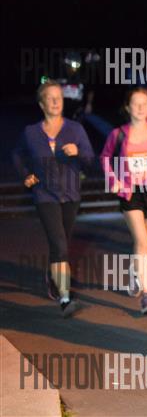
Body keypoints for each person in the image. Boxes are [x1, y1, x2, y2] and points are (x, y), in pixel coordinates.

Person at [12, 79, 95, 317]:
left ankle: (52, 277)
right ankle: (65, 298)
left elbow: (91, 160)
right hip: (45, 194)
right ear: (42, 104)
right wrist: (25, 174)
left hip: (70, 194)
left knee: (61, 243)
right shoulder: (31, 132)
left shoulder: (75, 129)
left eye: (59, 97)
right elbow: (17, 154)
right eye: (50, 98)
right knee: (59, 244)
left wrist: (78, 152)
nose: (56, 101)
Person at [100, 87, 147, 314]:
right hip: (130, 192)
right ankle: (146, 295)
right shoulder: (119, 134)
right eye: (136, 103)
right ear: (128, 107)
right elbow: (105, 157)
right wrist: (113, 179)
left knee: (141, 241)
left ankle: (135, 273)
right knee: (144, 242)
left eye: (145, 103)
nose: (142, 108)